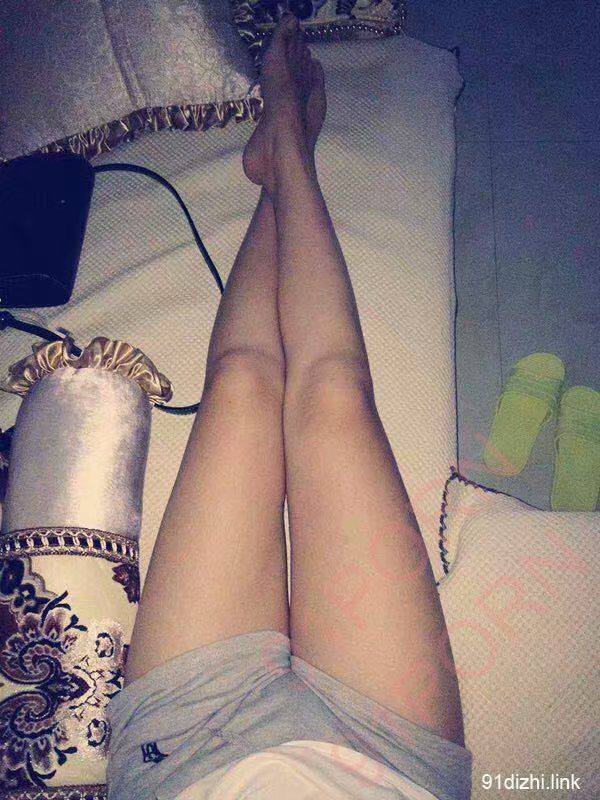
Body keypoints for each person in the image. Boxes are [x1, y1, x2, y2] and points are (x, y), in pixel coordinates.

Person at [106, 12, 472, 800]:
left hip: (184, 756)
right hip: (383, 762)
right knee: (334, 393)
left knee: (241, 383)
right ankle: (291, 147)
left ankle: (283, 150)